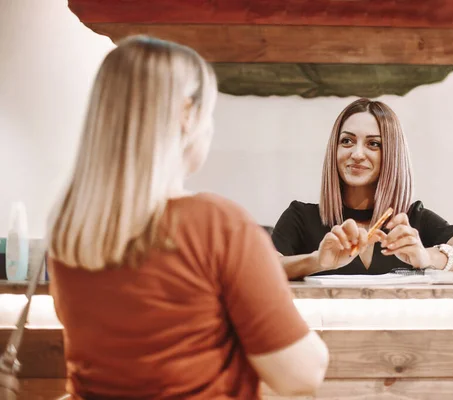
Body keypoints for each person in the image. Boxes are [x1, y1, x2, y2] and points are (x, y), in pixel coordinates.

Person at [46, 36, 328, 399]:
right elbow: (302, 375)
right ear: (185, 113)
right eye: (208, 112)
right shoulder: (216, 225)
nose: (209, 127)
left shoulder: (70, 228)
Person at [272, 98, 453, 280]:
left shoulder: (413, 221)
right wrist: (317, 261)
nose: (357, 153)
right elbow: (267, 268)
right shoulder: (300, 217)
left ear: (391, 154)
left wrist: (426, 256)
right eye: (347, 141)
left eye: (374, 144)